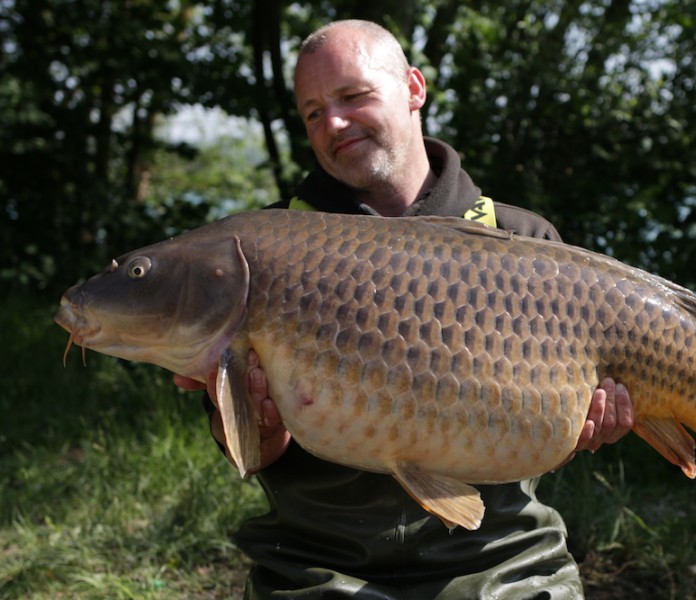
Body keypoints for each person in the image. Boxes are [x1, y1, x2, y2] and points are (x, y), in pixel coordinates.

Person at [175, 19, 634, 599]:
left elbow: (548, 435)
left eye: (352, 96)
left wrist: (581, 423)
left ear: (414, 88)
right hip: (320, 564)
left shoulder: (521, 240)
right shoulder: (264, 250)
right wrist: (255, 427)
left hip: (502, 556)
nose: (333, 124)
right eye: (313, 112)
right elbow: (251, 455)